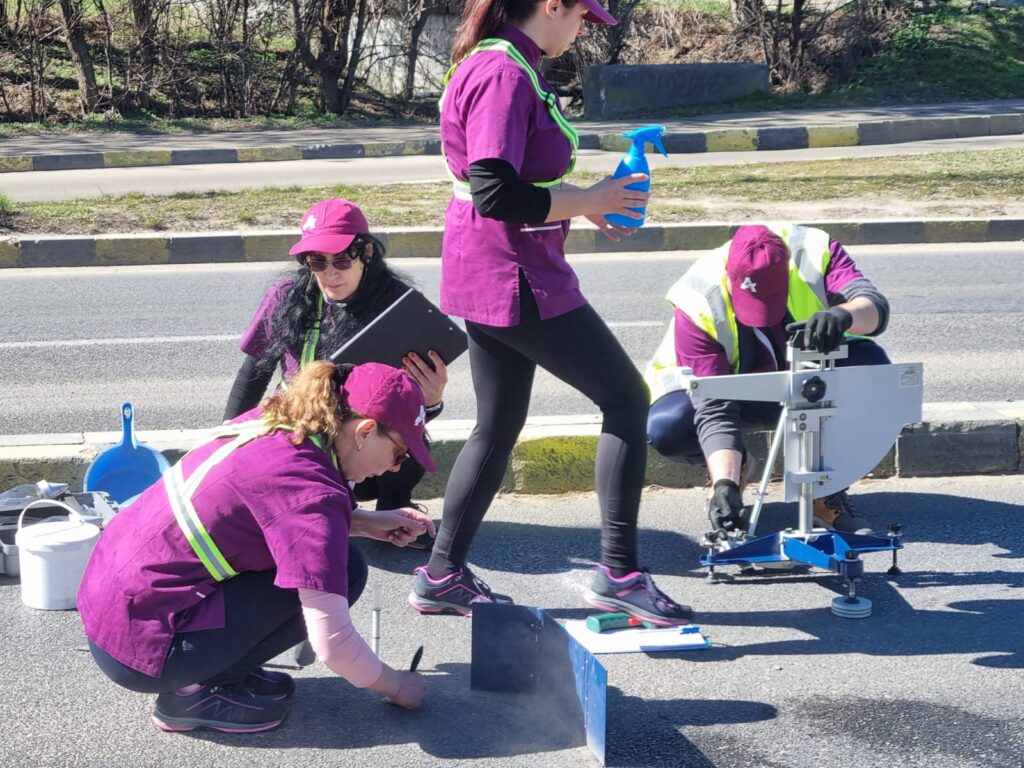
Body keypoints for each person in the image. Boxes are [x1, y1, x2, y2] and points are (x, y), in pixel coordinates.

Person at [408, 0, 692, 627]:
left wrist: (587, 204)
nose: (584, 28)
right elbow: (495, 191)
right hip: (517, 276)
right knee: (626, 399)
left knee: (497, 425)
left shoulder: (506, 60)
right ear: (552, 5)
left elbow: (510, 182)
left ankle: (441, 575)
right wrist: (590, 198)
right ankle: (620, 574)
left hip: (490, 270)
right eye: (583, 16)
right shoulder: (504, 72)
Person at [79, 361, 436, 733]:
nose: (396, 468)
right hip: (140, 649)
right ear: (364, 431)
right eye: (399, 454)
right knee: (345, 572)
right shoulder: (310, 491)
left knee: (343, 564)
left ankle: (218, 672)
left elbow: (279, 515)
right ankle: (190, 693)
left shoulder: (278, 422)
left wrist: (365, 523)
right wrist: (397, 686)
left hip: (113, 609)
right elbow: (333, 644)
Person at [645, 223, 892, 538]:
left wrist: (843, 315)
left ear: (787, 272)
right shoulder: (697, 298)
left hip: (806, 384)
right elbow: (714, 407)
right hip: (734, 392)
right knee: (668, 427)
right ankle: (736, 469)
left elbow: (874, 307)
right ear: (731, 277)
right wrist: (724, 483)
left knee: (871, 370)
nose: (762, 314)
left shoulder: (815, 252)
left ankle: (824, 489)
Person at [225, 198, 447, 548]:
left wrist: (431, 403)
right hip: (300, 428)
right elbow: (253, 374)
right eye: (317, 261)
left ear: (366, 253)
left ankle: (393, 507)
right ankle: (320, 511)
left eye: (342, 260)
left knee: (408, 441)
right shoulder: (283, 296)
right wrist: (227, 438)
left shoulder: (398, 305)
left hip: (362, 439)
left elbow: (407, 409)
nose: (331, 273)